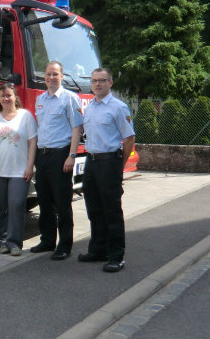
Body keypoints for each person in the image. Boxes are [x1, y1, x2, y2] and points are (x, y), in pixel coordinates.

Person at [79, 67, 135, 273]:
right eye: (94, 81)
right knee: (94, 208)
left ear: (110, 83)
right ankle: (98, 249)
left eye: (102, 80)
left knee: (111, 211)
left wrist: (118, 166)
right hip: (91, 162)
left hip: (109, 161)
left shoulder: (118, 107)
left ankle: (116, 256)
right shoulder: (91, 107)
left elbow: (129, 139)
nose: (97, 84)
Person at [32, 61, 84, 260]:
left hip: (60, 155)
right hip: (42, 155)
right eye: (48, 74)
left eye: (55, 74)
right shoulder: (40, 100)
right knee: (44, 201)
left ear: (62, 76)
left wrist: (71, 156)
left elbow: (76, 128)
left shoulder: (70, 98)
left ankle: (64, 244)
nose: (51, 78)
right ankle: (47, 240)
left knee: (62, 202)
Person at [0, 83, 38, 256]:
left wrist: (30, 165)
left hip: (20, 170)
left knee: (16, 205)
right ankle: (2, 241)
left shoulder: (25, 116)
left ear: (15, 97)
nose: (6, 99)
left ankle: (15, 243)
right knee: (0, 207)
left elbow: (32, 142)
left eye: (9, 95)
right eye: (3, 96)